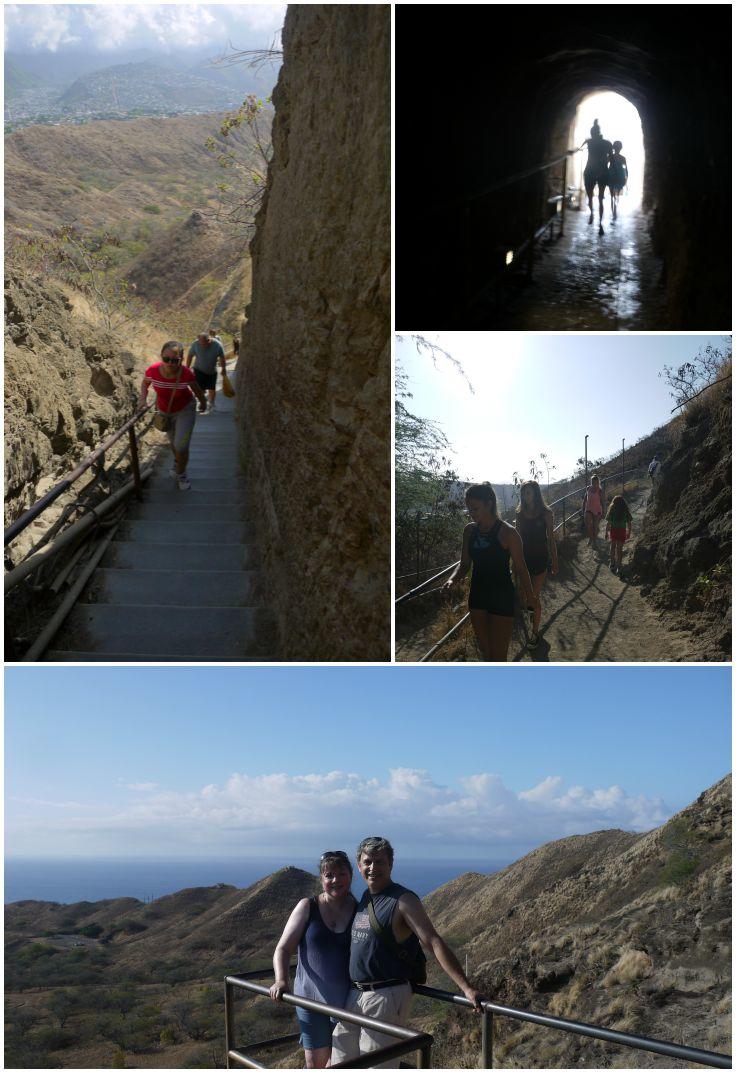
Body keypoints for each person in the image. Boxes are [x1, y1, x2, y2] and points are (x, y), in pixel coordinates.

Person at [330, 837, 484, 1069]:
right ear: (359, 865)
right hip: (356, 994)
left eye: (380, 862)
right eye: (367, 862)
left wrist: (466, 987)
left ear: (391, 864)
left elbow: (432, 941)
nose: (373, 868)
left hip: (384, 995)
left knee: (376, 1065)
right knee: (340, 1061)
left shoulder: (403, 900)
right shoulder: (366, 898)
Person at [269, 851, 357, 1069]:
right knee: (314, 1063)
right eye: (329, 875)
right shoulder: (308, 907)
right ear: (322, 879)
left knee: (340, 1062)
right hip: (310, 1001)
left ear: (350, 876)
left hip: (347, 1004)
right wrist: (281, 980)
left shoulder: (360, 910)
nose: (335, 880)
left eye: (341, 874)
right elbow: (283, 948)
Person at [443, 482, 539, 661]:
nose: (471, 513)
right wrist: (452, 579)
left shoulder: (508, 533)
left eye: (475, 508)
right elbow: (464, 564)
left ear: (489, 504)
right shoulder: (469, 531)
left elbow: (521, 568)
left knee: (499, 655)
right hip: (477, 596)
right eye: (469, 509)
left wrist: (531, 597)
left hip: (501, 597)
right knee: (486, 653)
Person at [139, 341, 207, 491]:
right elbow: (145, 384)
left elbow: (196, 390)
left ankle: (181, 474)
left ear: (181, 359)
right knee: (173, 443)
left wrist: (203, 402)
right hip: (166, 412)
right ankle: (178, 463)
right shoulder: (153, 371)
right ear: (161, 356)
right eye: (166, 359)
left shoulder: (186, 373)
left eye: (174, 360)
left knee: (181, 446)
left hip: (185, 410)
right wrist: (142, 399)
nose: (170, 363)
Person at [514, 481, 558, 648]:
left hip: (540, 559)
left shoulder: (546, 513)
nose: (527, 495)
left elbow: (551, 540)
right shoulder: (519, 514)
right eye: (524, 493)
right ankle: (533, 612)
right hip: (524, 560)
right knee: (527, 596)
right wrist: (514, 562)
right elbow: (517, 539)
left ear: (536, 494)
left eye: (529, 492)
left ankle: (534, 633)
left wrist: (555, 561)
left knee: (533, 596)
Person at [580, 119, 613, 234]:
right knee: (601, 198)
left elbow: (579, 148)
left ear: (592, 132)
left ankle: (592, 215)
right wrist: (604, 163)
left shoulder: (589, 141)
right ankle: (600, 225)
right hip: (603, 171)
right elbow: (612, 159)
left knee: (589, 197)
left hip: (590, 170)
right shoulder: (607, 143)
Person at [185, 331, 226, 413]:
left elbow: (222, 356)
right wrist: (187, 368)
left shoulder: (217, 345)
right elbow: (190, 355)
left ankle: (211, 404)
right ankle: (202, 403)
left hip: (212, 370)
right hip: (198, 369)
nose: (202, 345)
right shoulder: (195, 344)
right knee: (200, 389)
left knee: (212, 388)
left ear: (209, 340)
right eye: (201, 343)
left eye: (204, 344)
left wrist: (223, 368)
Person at [605, 494, 633, 574]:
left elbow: (608, 523)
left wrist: (606, 532)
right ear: (623, 502)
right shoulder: (625, 510)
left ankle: (612, 563)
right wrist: (629, 532)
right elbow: (629, 522)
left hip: (614, 530)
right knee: (619, 549)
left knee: (613, 547)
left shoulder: (612, 509)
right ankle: (619, 567)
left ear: (614, 502)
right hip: (622, 531)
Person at [607, 141, 628, 220]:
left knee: (612, 195)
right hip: (619, 176)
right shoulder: (622, 158)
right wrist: (626, 177)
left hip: (611, 175)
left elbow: (606, 165)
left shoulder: (610, 156)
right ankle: (614, 209)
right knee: (617, 195)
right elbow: (625, 169)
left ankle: (613, 210)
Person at [582, 473, 605, 543]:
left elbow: (602, 502)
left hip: (597, 509)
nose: (593, 483)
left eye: (595, 482)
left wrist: (604, 511)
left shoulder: (600, 490)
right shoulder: (588, 488)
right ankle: (591, 538)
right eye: (592, 482)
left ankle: (594, 539)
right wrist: (583, 508)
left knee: (595, 526)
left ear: (597, 482)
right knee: (588, 524)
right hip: (588, 508)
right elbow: (585, 499)